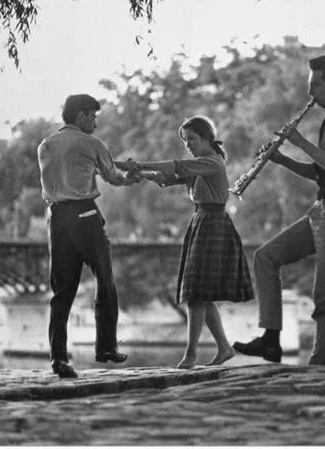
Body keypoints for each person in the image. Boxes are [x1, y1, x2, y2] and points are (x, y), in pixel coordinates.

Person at [233, 55, 325, 366]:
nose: (311, 93)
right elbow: (320, 172)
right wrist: (282, 160)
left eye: (316, 85)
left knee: (324, 293)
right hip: (323, 207)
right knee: (266, 257)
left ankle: (319, 363)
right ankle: (270, 340)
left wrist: (300, 142)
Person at [116, 115, 254, 369]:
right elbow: (167, 177)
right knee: (200, 293)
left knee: (195, 293)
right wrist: (141, 173)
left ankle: (191, 355)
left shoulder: (212, 162)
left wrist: (136, 164)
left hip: (212, 224)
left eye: (192, 139)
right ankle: (224, 348)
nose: (188, 144)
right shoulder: (200, 165)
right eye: (185, 140)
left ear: (206, 138)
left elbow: (176, 166)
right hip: (202, 223)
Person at [37, 94, 143, 378]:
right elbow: (113, 177)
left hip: (57, 220)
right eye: (93, 117)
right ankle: (106, 346)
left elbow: (76, 167)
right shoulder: (93, 143)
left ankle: (59, 358)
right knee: (105, 280)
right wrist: (131, 177)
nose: (96, 123)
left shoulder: (45, 145)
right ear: (81, 116)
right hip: (84, 216)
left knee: (62, 293)